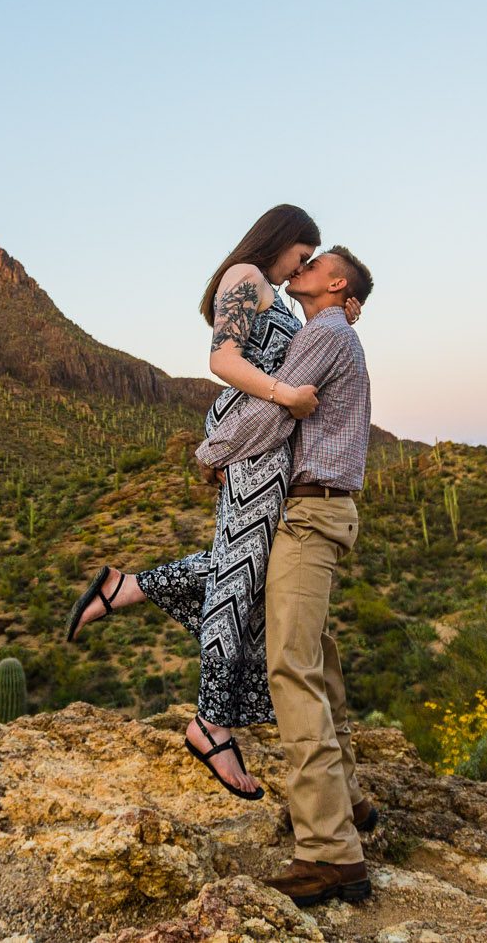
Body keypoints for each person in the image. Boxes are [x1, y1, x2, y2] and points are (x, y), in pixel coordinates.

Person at [64, 205, 355, 800]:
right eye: (304, 254)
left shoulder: (274, 294)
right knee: (241, 576)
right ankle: (211, 724)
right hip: (252, 438)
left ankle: (129, 588)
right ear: (284, 239)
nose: (304, 265)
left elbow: (308, 351)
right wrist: (285, 395)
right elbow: (221, 361)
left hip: (270, 442)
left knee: (250, 572)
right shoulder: (243, 278)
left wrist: (341, 313)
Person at [196, 244, 375, 908]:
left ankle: (329, 854)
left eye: (311, 263)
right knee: (320, 661)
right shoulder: (336, 329)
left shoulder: (324, 331)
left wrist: (211, 452)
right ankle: (348, 804)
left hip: (306, 516)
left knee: (292, 669)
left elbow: (273, 411)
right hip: (325, 512)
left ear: (333, 282)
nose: (296, 270)